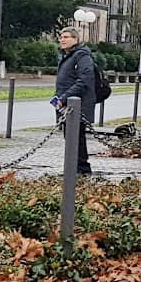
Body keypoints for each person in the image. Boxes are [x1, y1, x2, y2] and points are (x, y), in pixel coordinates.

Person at [51, 26, 95, 175]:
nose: (62, 40)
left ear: (75, 39)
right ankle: (75, 168)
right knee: (71, 137)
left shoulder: (82, 56)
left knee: (76, 137)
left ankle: (81, 168)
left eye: (66, 37)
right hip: (67, 104)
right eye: (61, 37)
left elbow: (85, 79)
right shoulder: (67, 56)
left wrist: (64, 98)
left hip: (76, 104)